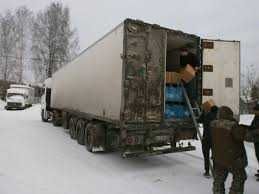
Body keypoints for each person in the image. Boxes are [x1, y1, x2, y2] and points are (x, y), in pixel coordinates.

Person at [211, 106, 248, 194]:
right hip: (233, 159)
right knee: (240, 177)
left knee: (218, 180)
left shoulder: (213, 124)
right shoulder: (233, 126)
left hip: (218, 157)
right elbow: (245, 136)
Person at [199, 105, 218, 177]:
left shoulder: (207, 116)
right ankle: (215, 171)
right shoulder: (218, 118)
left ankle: (207, 171)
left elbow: (199, 120)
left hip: (206, 138)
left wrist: (203, 112)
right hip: (215, 140)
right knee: (215, 156)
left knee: (206, 156)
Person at [250, 102, 259, 180]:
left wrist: (254, 131)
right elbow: (252, 126)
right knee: (258, 155)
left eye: (255, 111)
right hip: (256, 140)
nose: (254, 112)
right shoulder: (255, 118)